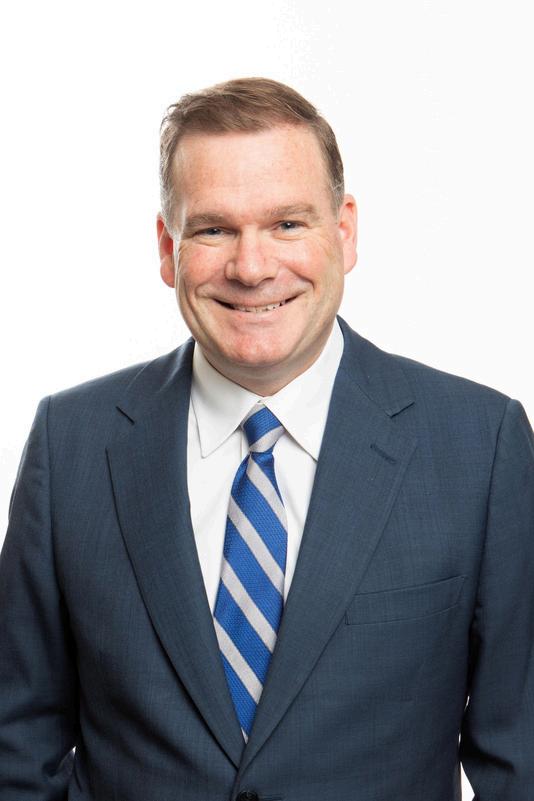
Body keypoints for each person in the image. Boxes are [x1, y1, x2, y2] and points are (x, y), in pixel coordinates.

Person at [0, 77, 533, 801]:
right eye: (213, 229)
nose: (251, 268)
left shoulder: (480, 447)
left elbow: (522, 762)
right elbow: (16, 749)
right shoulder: (70, 446)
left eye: (286, 223)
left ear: (344, 232)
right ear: (168, 247)